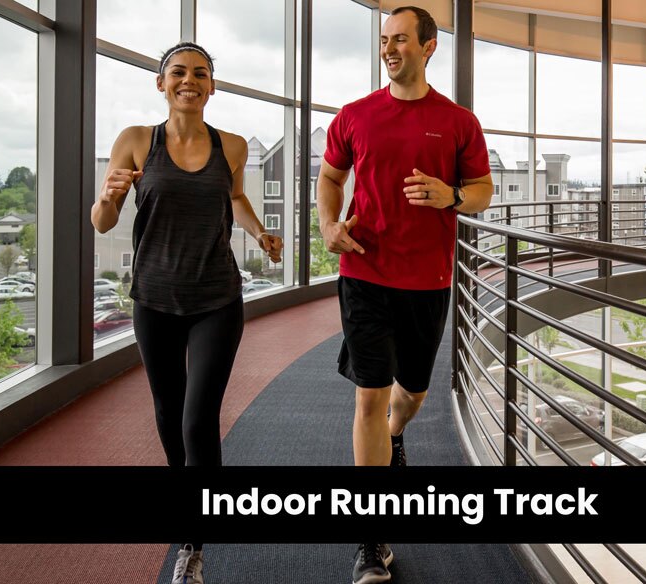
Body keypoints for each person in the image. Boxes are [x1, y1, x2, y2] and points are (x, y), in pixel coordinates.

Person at [90, 41, 282, 584]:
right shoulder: (134, 141)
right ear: (161, 83)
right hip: (153, 299)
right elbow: (103, 222)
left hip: (217, 298)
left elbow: (236, 198)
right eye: (178, 72)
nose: (189, 80)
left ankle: (193, 543)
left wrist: (259, 232)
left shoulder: (234, 146)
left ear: (212, 86)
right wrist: (107, 196)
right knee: (167, 412)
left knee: (199, 419)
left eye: (200, 73)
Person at [317, 7, 493, 584]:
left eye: (400, 40)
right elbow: (330, 177)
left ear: (428, 46)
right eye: (384, 40)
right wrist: (326, 224)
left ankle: (395, 436)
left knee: (409, 397)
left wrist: (450, 195)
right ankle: (371, 539)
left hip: (428, 280)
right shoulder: (355, 115)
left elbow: (483, 192)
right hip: (363, 271)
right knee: (369, 397)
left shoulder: (458, 121)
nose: (389, 48)